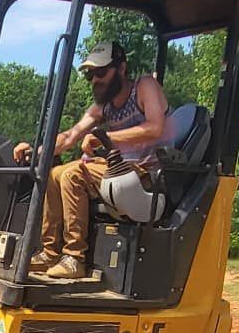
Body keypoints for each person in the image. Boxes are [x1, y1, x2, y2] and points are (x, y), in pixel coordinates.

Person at [13, 41, 169, 279]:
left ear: (121, 69)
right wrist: (36, 152)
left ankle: (74, 258)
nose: (95, 80)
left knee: (72, 174)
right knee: (53, 173)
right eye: (90, 75)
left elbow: (155, 127)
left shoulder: (145, 87)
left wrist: (103, 138)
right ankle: (50, 253)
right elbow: (70, 137)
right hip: (116, 170)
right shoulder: (103, 106)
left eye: (101, 72)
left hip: (145, 174)